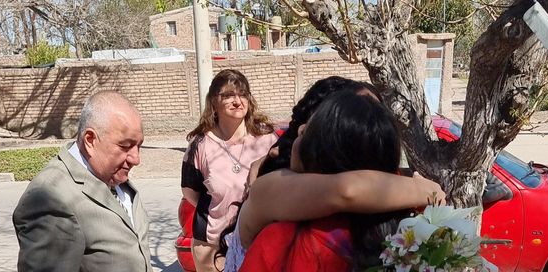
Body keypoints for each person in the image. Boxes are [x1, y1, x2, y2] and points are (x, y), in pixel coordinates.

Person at [225, 90, 444, 272]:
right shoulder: (411, 240)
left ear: (323, 148)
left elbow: (346, 190)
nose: (300, 128)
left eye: (312, 125)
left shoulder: (282, 243)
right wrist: (424, 191)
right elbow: (346, 190)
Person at [12, 91, 152, 272]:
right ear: (90, 140)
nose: (136, 159)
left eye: (139, 146)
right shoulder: (51, 199)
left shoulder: (113, 177)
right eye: (125, 146)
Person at [181, 69, 278, 272]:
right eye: (228, 95)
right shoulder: (200, 144)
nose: (237, 101)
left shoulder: (267, 139)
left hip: (257, 240)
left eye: (242, 94)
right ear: (214, 102)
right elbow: (191, 193)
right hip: (211, 246)